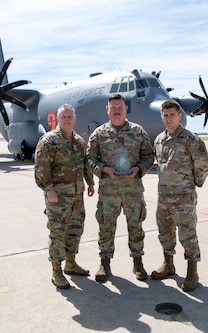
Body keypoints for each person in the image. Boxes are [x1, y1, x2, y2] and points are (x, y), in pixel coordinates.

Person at [87, 93, 154, 282]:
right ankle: (105, 263)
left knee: (136, 227)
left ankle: (138, 262)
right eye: (113, 108)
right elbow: (90, 159)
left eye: (120, 107)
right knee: (106, 228)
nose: (116, 111)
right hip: (108, 192)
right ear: (107, 110)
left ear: (126, 109)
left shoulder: (138, 131)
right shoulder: (99, 134)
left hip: (133, 190)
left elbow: (149, 156)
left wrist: (138, 169)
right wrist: (104, 169)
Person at [151, 100, 208, 292]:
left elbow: (203, 163)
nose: (169, 119)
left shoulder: (190, 139)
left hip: (183, 197)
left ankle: (192, 272)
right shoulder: (159, 140)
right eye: (165, 115)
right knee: (165, 232)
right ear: (162, 117)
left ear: (179, 116)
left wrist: (194, 183)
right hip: (164, 196)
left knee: (188, 234)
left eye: (172, 115)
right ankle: (168, 264)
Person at [34, 104, 95, 289]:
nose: (67, 119)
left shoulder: (78, 141)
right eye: (64, 117)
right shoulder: (49, 140)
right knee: (57, 232)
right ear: (58, 119)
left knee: (75, 230)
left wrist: (90, 182)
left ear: (75, 119)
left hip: (77, 195)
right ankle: (56, 270)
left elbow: (84, 164)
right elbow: (41, 167)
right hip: (58, 197)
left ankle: (70, 263)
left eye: (70, 116)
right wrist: (48, 189)